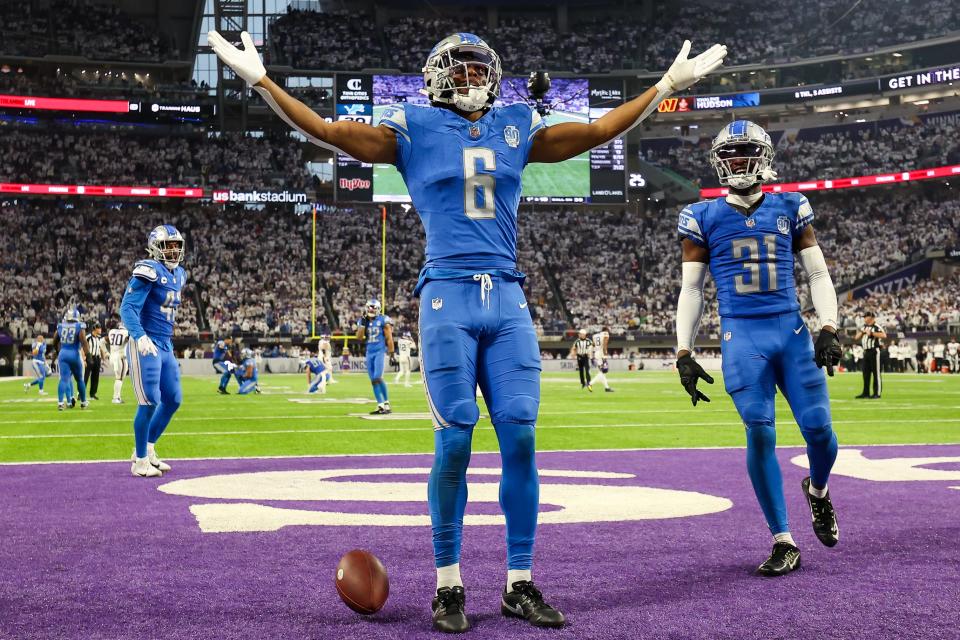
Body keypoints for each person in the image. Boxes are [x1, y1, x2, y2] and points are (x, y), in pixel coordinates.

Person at [209, 28, 725, 632]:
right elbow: (326, 129)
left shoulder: (515, 123)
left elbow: (595, 132)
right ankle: (448, 586)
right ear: (434, 76)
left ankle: (520, 582)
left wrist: (664, 86)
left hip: (507, 296)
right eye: (462, 69)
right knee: (455, 441)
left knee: (522, 440)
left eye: (482, 70)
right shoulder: (413, 128)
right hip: (446, 296)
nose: (474, 79)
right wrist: (261, 80)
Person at [675, 120, 842, 577]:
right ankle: (783, 539)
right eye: (729, 154)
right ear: (716, 160)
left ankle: (819, 491)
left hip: (790, 331)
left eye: (745, 152)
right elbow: (692, 290)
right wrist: (683, 351)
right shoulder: (702, 215)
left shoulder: (791, 205)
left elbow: (818, 274)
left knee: (820, 431)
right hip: (741, 336)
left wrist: (828, 325)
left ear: (765, 157)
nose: (737, 162)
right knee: (760, 430)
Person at [120, 225, 185, 478]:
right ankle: (140, 461)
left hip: (166, 343)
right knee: (149, 400)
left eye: (176, 246)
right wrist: (139, 335)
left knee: (173, 399)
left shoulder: (180, 274)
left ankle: (147, 448)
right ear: (155, 247)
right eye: (168, 245)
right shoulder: (148, 270)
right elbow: (127, 308)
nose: (173, 251)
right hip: (145, 343)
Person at [356, 299, 393, 414]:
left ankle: (386, 403)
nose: (371, 310)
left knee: (377, 377)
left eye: (373, 308)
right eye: (369, 308)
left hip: (379, 351)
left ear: (378, 309)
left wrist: (391, 353)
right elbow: (359, 337)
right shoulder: (364, 321)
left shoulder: (383, 319)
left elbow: (389, 337)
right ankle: (381, 405)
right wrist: (362, 324)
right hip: (369, 352)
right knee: (373, 380)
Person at [53, 308, 89, 410]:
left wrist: (57, 351)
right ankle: (83, 402)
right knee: (80, 380)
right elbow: (83, 341)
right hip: (74, 353)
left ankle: (60, 403)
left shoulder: (60, 326)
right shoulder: (79, 326)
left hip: (63, 353)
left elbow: (54, 341)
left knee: (63, 379)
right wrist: (88, 355)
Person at [854, 312, 885, 398]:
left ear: (871, 317)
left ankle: (877, 393)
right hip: (866, 352)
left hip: (874, 351)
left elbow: (884, 335)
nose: (864, 318)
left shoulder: (876, 326)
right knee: (866, 373)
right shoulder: (864, 326)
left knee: (876, 373)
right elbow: (856, 337)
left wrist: (872, 334)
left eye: (866, 317)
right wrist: (863, 332)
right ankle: (866, 392)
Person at [107, 320, 130, 404]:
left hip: (112, 356)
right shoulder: (126, 332)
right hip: (120, 357)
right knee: (119, 378)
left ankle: (118, 397)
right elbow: (130, 340)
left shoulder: (111, 332)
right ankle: (115, 398)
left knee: (119, 378)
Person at [84, 322, 107, 400]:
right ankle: (80, 394)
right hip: (90, 357)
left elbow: (101, 349)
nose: (100, 330)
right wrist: (84, 359)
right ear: (95, 329)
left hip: (97, 358)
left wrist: (103, 359)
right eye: (99, 328)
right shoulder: (88, 337)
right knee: (85, 376)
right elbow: (83, 348)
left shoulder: (99, 338)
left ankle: (93, 394)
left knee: (95, 377)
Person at [591, 326, 614, 392]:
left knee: (603, 372)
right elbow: (604, 345)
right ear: (606, 330)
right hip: (601, 353)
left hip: (596, 353)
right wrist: (604, 355)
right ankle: (590, 383)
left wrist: (592, 355)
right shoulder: (605, 334)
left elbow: (593, 345)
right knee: (604, 370)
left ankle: (607, 388)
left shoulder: (595, 336)